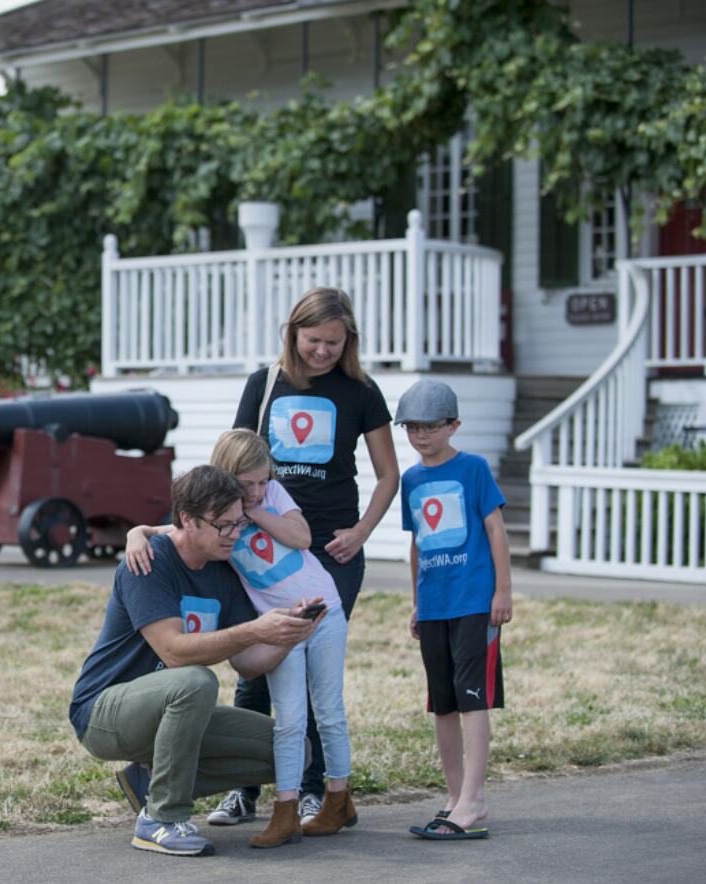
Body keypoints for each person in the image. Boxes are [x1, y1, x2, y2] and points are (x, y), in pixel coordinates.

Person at [68, 465, 322, 857]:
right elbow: (172, 650)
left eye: (238, 524)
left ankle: (150, 782)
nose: (235, 535)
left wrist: (287, 634)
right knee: (196, 680)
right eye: (224, 526)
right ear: (187, 519)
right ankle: (162, 819)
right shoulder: (149, 560)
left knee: (292, 752)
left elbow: (248, 664)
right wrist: (255, 630)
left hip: (173, 708)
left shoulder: (224, 571)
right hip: (104, 712)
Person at [216, 285, 399, 825]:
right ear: (293, 333)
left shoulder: (361, 391)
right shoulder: (264, 384)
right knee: (256, 671)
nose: (323, 351)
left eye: (335, 343)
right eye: (314, 340)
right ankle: (243, 788)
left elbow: (389, 474)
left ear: (350, 342)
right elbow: (233, 463)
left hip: (331, 555)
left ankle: (317, 790)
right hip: (260, 552)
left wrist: (362, 532)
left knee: (318, 677)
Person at [126, 429, 356, 848]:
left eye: (262, 480)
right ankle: (284, 811)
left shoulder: (272, 498)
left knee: (328, 711)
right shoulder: (217, 515)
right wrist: (136, 532)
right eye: (246, 483)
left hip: (323, 611)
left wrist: (256, 512)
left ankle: (339, 799)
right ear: (227, 477)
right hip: (278, 624)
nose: (256, 490)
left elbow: (302, 538)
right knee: (289, 719)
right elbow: (174, 528)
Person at [395, 378, 513, 841]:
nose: (421, 436)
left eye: (431, 426)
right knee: (441, 702)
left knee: (471, 697)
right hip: (435, 605)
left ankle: (475, 798)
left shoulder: (474, 468)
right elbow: (418, 545)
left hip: (472, 601)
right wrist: (417, 603)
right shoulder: (411, 479)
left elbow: (496, 530)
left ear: (453, 425)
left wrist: (502, 592)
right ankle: (456, 795)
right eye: (412, 428)